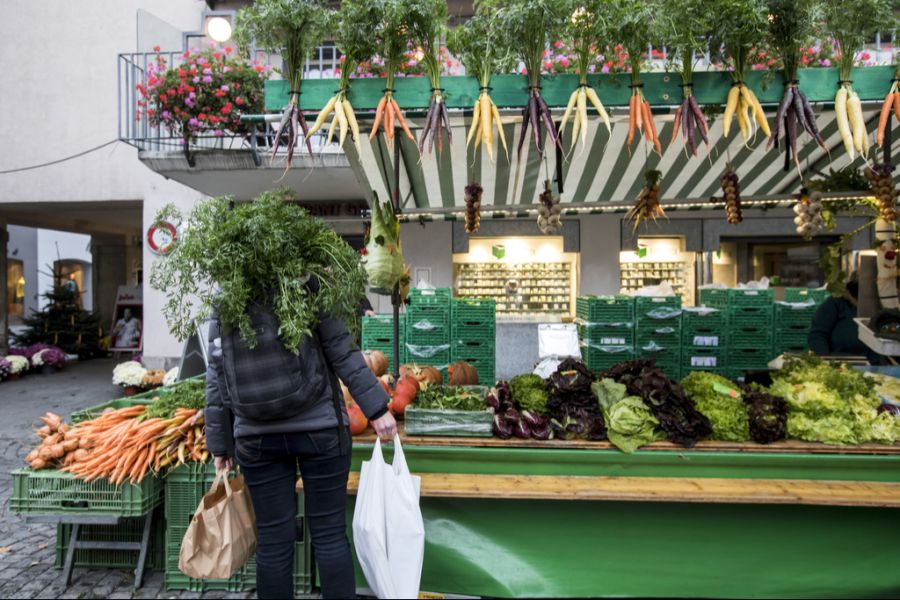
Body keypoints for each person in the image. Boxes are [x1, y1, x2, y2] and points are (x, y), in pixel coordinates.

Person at [205, 283, 397, 600]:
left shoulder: (227, 290)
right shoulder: (306, 278)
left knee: (272, 541)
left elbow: (216, 370)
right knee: (329, 534)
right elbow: (340, 348)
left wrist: (221, 443)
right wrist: (376, 409)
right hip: (319, 428)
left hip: (255, 435)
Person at [807, 276, 875, 360]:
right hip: (839, 363)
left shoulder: (884, 305)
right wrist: (825, 361)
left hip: (879, 366)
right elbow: (817, 335)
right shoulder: (837, 302)